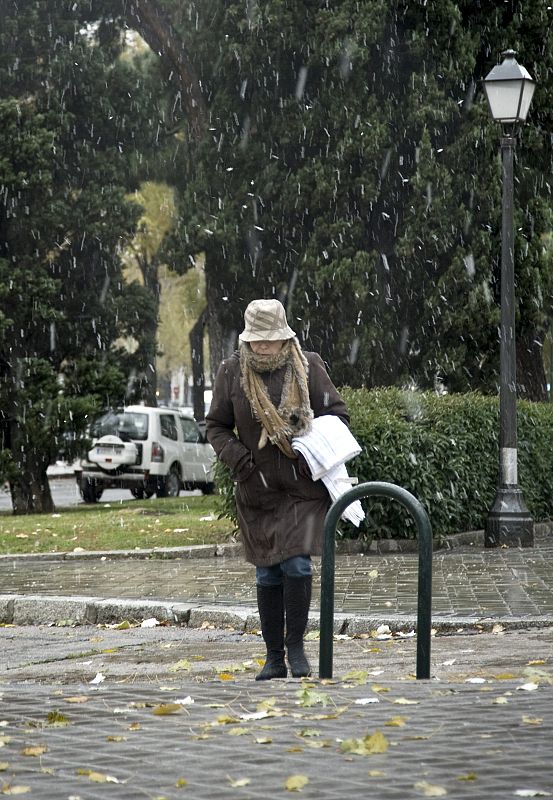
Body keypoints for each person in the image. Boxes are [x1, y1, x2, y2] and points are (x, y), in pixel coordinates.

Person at [206, 299, 349, 680]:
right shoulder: (231, 372)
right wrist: (241, 461)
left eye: (269, 339)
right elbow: (215, 426)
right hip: (258, 491)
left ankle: (297, 648)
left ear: (284, 336)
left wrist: (304, 432)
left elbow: (337, 414)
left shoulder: (308, 365)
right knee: (267, 574)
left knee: (297, 564)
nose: (263, 347)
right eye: (256, 340)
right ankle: (273, 658)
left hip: (303, 489)